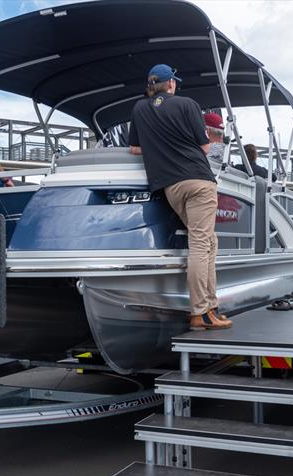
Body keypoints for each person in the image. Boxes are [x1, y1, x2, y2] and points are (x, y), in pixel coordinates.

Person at [128, 64, 232, 330]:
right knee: (200, 244)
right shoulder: (188, 104)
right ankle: (200, 312)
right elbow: (206, 147)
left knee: (210, 242)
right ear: (171, 83)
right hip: (198, 181)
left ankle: (211, 307)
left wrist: (159, 149)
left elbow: (134, 149)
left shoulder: (140, 109)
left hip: (170, 186)